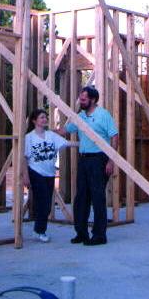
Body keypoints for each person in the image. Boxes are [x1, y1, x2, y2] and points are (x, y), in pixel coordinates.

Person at [57, 86, 118, 246]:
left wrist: (111, 160)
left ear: (92, 99)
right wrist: (42, 130)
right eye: (80, 98)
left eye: (83, 99)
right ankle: (81, 233)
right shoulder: (80, 116)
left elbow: (114, 136)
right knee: (81, 197)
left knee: (97, 197)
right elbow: (65, 131)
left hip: (100, 159)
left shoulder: (103, 115)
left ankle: (99, 236)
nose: (81, 101)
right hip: (84, 159)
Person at [22, 109, 73, 242]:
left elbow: (67, 144)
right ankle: (40, 231)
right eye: (41, 117)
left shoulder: (51, 135)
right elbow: (25, 158)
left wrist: (91, 145)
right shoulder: (29, 137)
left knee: (46, 203)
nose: (45, 120)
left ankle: (38, 230)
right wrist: (25, 176)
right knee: (43, 203)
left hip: (49, 174)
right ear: (34, 121)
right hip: (36, 172)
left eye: (45, 117)